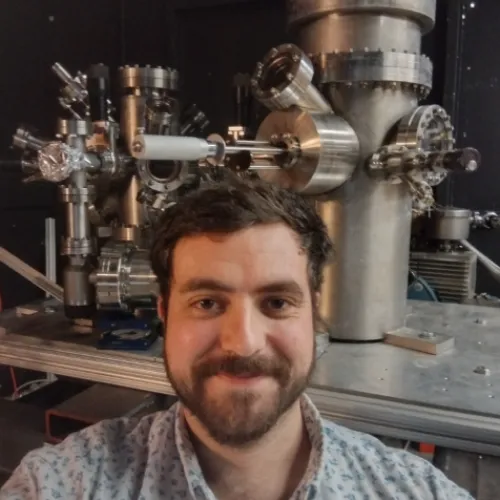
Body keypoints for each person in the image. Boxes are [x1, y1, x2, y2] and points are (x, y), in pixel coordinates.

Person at [1, 175, 471, 500]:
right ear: (164, 313)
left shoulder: (413, 491)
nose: (243, 344)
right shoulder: (65, 484)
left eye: (276, 303)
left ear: (315, 314)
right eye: (207, 303)